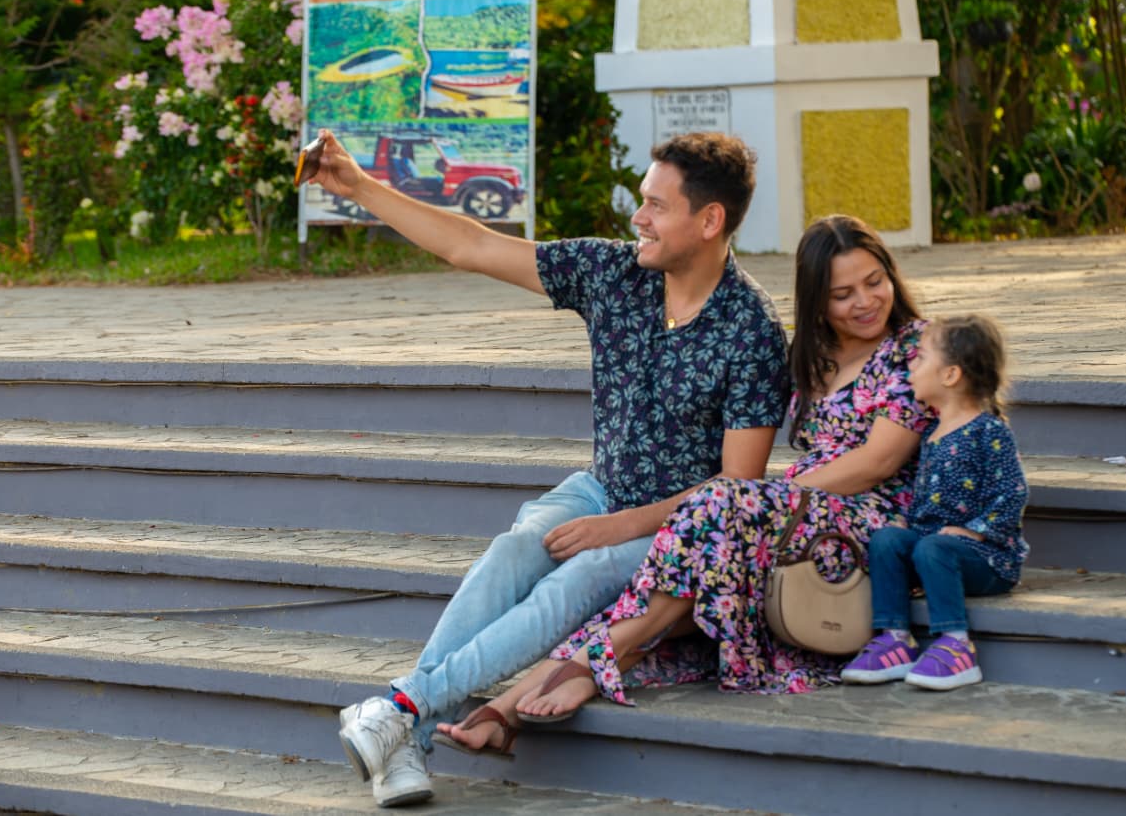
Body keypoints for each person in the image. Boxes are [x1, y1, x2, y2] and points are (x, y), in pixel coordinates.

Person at [309, 129, 790, 806]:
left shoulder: (753, 331)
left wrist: (619, 527)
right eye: (641, 202)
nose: (638, 218)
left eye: (656, 206)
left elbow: (734, 488)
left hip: (677, 529)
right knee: (515, 548)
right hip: (600, 487)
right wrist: (359, 187)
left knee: (583, 575)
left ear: (709, 221)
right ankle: (407, 729)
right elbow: (470, 245)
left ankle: (398, 707)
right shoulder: (614, 272)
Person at [434, 214, 929, 748]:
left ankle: (562, 678)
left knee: (715, 506)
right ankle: (508, 711)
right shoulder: (817, 356)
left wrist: (766, 498)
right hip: (799, 515)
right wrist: (765, 501)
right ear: (817, 302)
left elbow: (879, 461)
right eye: (842, 293)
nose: (864, 301)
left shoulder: (914, 346)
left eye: (875, 282)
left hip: (866, 522)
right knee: (698, 545)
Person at [841, 314, 1029, 690]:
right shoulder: (931, 433)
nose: (911, 364)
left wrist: (975, 532)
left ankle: (956, 646)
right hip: (935, 548)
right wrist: (904, 526)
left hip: (987, 558)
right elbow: (928, 500)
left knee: (933, 547)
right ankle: (895, 639)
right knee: (887, 540)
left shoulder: (988, 431)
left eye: (921, 357)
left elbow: (1012, 493)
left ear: (950, 375)